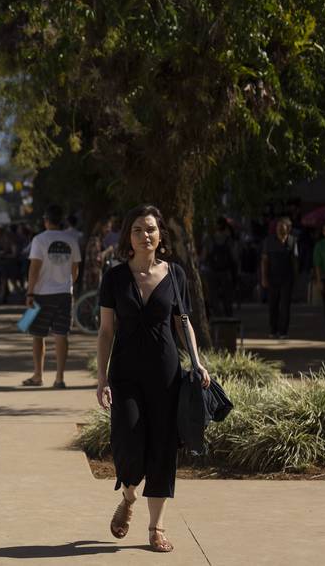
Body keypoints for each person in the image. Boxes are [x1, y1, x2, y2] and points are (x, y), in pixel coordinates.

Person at [95, 205, 210, 554]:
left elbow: (183, 321)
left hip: (166, 373)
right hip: (126, 374)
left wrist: (197, 362)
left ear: (161, 235)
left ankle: (156, 526)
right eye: (137, 230)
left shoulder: (175, 274)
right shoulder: (114, 277)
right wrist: (102, 378)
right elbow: (105, 331)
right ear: (127, 237)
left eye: (150, 229)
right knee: (128, 442)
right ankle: (129, 495)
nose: (145, 235)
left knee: (162, 448)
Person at [23, 204, 81, 388]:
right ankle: (59, 378)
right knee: (61, 334)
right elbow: (75, 269)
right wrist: (68, 284)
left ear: (46, 221)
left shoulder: (39, 240)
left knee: (38, 335)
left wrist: (30, 292)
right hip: (64, 293)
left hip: (42, 293)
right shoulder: (71, 240)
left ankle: (38, 375)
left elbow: (34, 268)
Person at [261, 217, 298, 339]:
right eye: (278, 227)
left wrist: (295, 276)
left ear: (288, 229)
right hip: (272, 277)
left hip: (287, 277)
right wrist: (264, 277)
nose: (280, 230)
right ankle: (273, 329)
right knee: (273, 304)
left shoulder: (293, 241)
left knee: (285, 305)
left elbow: (295, 260)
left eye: (282, 228)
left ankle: (283, 331)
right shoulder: (269, 241)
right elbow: (265, 260)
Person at [203, 218, 238, 317]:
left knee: (213, 296)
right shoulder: (229, 240)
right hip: (226, 272)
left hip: (212, 271)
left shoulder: (209, 239)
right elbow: (234, 257)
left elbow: (204, 256)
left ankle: (217, 317)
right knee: (227, 296)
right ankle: (228, 316)